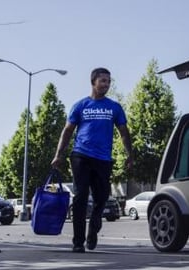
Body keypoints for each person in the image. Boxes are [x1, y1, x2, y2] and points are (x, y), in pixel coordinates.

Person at [51, 67, 133, 253]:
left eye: (108, 81)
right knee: (80, 197)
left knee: (102, 197)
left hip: (103, 159)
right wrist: (58, 154)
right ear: (93, 82)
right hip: (80, 155)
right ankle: (78, 242)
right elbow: (67, 131)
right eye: (103, 80)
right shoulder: (80, 106)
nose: (106, 84)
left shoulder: (114, 107)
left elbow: (124, 133)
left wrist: (130, 154)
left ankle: (94, 226)